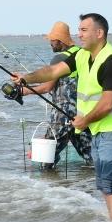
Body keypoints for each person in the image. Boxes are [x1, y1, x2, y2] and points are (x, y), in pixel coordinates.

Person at [10, 14, 112, 222]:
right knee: (104, 186)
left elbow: (107, 103)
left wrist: (84, 120)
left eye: (84, 30)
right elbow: (52, 71)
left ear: (99, 33)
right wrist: (26, 77)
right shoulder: (81, 56)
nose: (79, 34)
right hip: (97, 131)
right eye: (79, 29)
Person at [38, 21, 92, 166]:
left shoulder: (59, 58)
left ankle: (46, 186)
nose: (50, 42)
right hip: (83, 113)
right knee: (91, 157)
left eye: (52, 40)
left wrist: (23, 91)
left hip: (63, 114)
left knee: (46, 158)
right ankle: (90, 186)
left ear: (59, 40)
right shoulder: (83, 53)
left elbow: (47, 87)